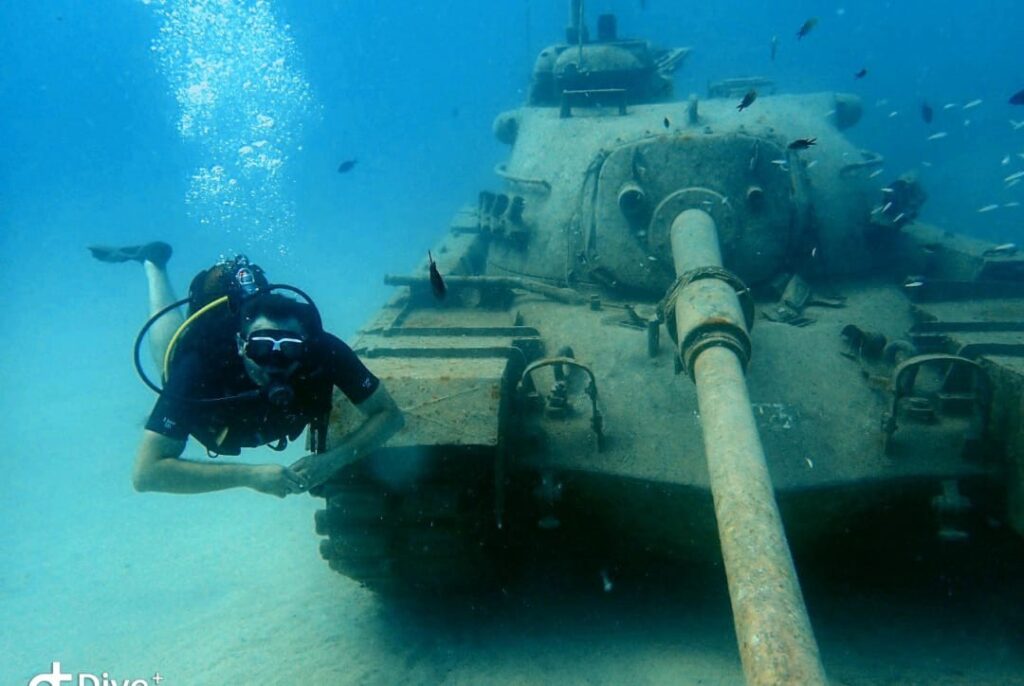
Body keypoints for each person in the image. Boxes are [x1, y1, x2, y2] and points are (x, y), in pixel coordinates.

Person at [89, 241, 404, 498]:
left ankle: (154, 262)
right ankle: (153, 265)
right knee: (170, 357)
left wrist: (332, 461)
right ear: (241, 345)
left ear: (306, 345)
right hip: (201, 372)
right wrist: (249, 476)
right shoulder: (202, 362)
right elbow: (146, 474)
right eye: (261, 348)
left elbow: (390, 415)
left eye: (289, 349)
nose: (274, 363)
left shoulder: (325, 350)